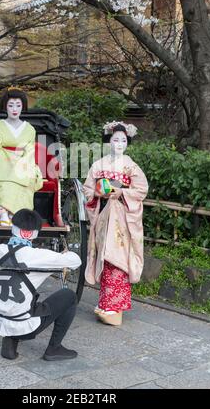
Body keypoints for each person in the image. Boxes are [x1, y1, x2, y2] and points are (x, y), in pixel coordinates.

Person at [0, 208, 81, 361]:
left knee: (21, 303)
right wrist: (62, 255)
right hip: (25, 326)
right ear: (34, 233)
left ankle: (10, 342)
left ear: (13, 228)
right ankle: (54, 348)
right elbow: (76, 261)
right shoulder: (39, 256)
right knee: (68, 296)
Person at [83, 121, 148, 326]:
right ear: (108, 141)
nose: (119, 143)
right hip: (103, 213)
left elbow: (141, 190)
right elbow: (87, 189)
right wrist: (96, 193)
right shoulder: (99, 165)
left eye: (123, 140)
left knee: (117, 258)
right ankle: (105, 305)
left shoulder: (131, 166)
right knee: (105, 257)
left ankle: (114, 308)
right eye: (115, 140)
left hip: (121, 215)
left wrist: (122, 192)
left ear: (127, 142)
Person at [0, 87, 43, 226]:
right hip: (2, 164)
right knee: (8, 179)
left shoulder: (29, 129)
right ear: (5, 107)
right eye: (11, 105)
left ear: (23, 107)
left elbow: (29, 151)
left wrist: (21, 165)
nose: (14, 109)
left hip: (24, 164)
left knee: (26, 179)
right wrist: (9, 164)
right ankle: (4, 212)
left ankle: (15, 215)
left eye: (18, 105)